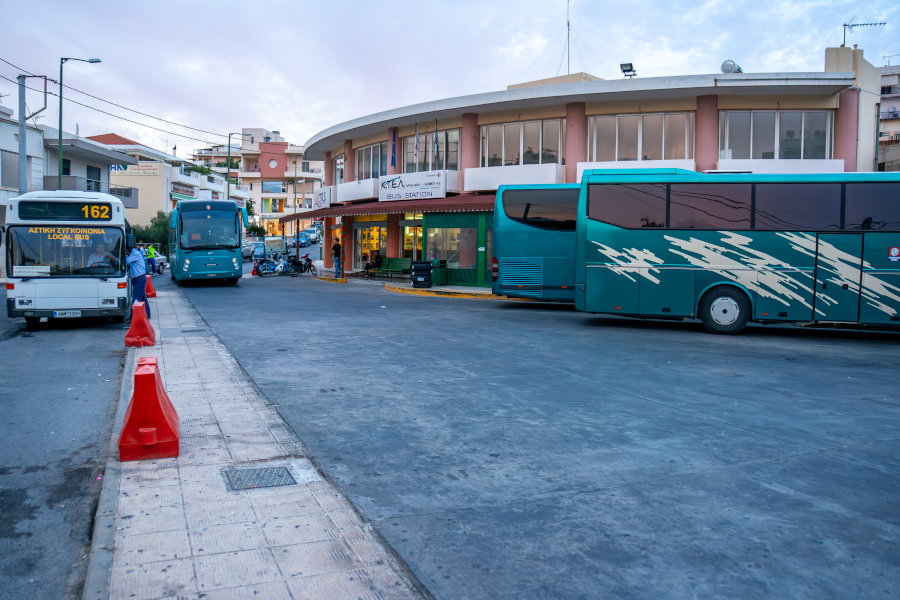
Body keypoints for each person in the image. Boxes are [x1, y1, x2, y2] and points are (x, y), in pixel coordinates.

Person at [127, 244, 151, 319]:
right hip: (138, 279)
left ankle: (133, 317)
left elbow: (127, 261)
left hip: (139, 279)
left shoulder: (135, 253)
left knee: (136, 299)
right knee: (143, 297)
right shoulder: (133, 253)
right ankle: (147, 314)